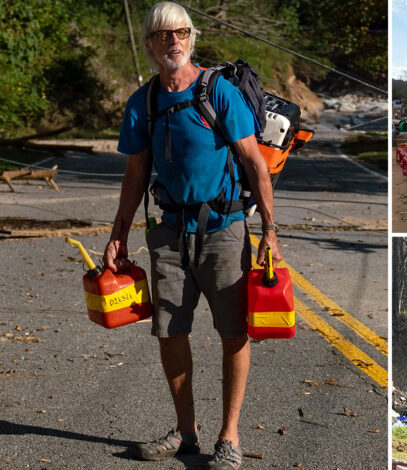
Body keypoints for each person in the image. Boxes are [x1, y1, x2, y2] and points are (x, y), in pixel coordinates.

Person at [103, 2, 280, 468]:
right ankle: (186, 435)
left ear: (192, 39)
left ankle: (229, 436)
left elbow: (254, 164)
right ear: (149, 45)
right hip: (167, 233)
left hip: (225, 231)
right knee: (170, 333)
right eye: (164, 35)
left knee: (233, 333)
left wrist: (270, 232)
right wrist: (118, 234)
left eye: (181, 33)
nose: (174, 42)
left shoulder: (218, 91)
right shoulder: (142, 103)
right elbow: (135, 174)